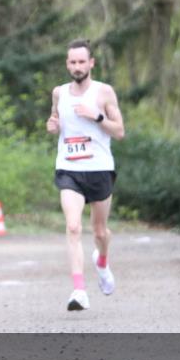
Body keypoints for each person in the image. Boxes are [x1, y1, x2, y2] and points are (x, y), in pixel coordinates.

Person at [45, 39, 125, 311]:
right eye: (73, 62)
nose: (77, 67)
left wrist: (97, 117)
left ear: (91, 63)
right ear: (67, 64)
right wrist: (52, 125)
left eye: (82, 62)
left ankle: (102, 262)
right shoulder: (59, 93)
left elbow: (120, 132)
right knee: (73, 226)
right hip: (69, 168)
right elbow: (55, 120)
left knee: (100, 232)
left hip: (99, 169)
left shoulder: (104, 92)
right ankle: (79, 290)